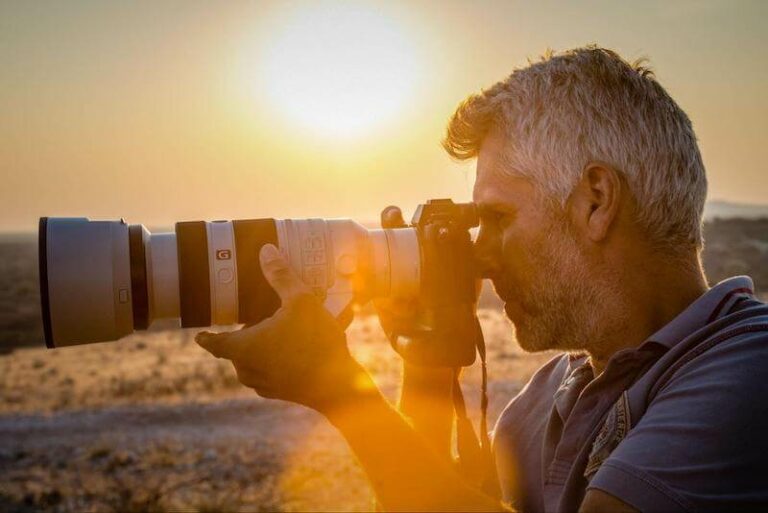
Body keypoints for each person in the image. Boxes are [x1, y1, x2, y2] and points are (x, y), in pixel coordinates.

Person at [195, 46, 768, 512]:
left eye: (496, 218)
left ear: (596, 200)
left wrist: (342, 394)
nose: (480, 254)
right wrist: (427, 359)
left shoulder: (747, 371)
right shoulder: (542, 402)